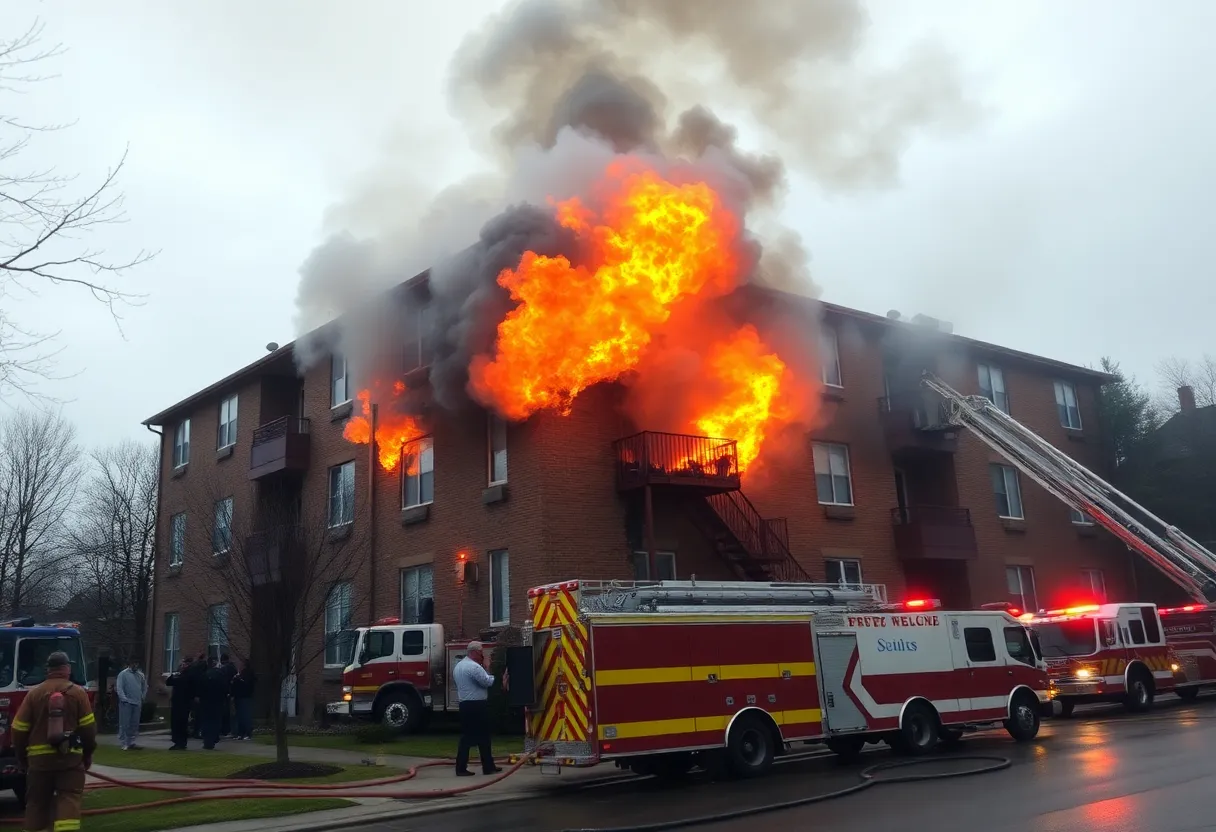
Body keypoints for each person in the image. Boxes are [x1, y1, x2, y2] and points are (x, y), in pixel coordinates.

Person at [10, 651, 97, 832]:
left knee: (36, 804)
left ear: (48, 670)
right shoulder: (78, 693)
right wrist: (87, 754)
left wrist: (22, 758)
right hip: (70, 760)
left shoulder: (34, 694)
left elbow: (18, 729)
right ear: (67, 669)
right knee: (69, 798)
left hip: (39, 763)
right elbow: (89, 730)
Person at [452, 641, 502, 777]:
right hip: (477, 705)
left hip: (464, 704)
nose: (482, 655)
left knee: (467, 737)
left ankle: (461, 767)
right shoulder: (474, 667)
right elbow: (488, 681)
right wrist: (488, 667)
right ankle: (487, 767)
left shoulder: (458, 666)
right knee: (484, 736)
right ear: (475, 652)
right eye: (481, 653)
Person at [116, 656, 148, 750]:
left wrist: (142, 697)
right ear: (129, 664)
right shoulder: (123, 674)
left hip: (137, 702)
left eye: (137, 663)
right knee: (125, 723)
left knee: (134, 723)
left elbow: (145, 686)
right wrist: (124, 699)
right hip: (126, 703)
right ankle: (124, 743)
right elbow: (119, 687)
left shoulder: (140, 675)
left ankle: (132, 742)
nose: (135, 665)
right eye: (133, 663)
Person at [166, 656, 195, 750]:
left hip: (183, 702)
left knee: (180, 723)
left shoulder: (188, 674)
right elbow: (169, 682)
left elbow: (175, 681)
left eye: (184, 663)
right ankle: (179, 742)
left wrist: (176, 675)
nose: (183, 665)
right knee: (177, 723)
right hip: (178, 702)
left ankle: (180, 742)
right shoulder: (181, 674)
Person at [200, 657, 228, 749]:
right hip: (218, 701)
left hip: (206, 701)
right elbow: (225, 688)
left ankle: (207, 741)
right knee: (216, 720)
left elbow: (201, 688)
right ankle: (214, 738)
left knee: (206, 721)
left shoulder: (204, 675)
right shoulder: (221, 674)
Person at [230, 660, 257, 740]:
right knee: (240, 716)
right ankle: (240, 733)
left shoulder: (247, 674)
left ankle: (247, 733)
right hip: (240, 697)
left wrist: (237, 680)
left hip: (244, 697)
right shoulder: (241, 674)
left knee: (245, 716)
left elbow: (246, 684)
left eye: (240, 665)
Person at [219, 653, 238, 738]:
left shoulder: (224, 669)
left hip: (225, 693)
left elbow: (223, 681)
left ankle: (225, 730)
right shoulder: (233, 668)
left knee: (225, 711)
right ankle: (230, 729)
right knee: (231, 712)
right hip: (233, 692)